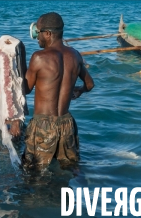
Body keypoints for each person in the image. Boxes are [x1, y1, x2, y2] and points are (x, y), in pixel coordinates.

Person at [22, 12, 94, 169]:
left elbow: (26, 89)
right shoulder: (75, 55)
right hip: (66, 123)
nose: (37, 37)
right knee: (69, 168)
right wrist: (79, 90)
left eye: (38, 32)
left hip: (43, 125)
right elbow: (89, 84)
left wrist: (20, 65)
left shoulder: (39, 57)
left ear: (47, 34)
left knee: (34, 171)